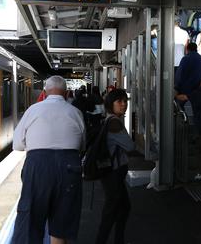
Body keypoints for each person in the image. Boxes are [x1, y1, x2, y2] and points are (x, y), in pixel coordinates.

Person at [12, 76, 86, 244]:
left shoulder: (33, 110)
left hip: (38, 166)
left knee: (31, 219)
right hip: (70, 167)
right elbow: (82, 145)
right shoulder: (75, 112)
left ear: (44, 92)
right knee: (62, 222)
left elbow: (17, 145)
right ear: (67, 93)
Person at [95, 89, 135, 244]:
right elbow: (130, 146)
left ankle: (118, 239)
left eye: (125, 101)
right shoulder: (114, 122)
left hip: (111, 171)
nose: (123, 104)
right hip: (113, 173)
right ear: (111, 104)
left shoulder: (109, 119)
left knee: (123, 207)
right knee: (111, 210)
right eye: (119, 101)